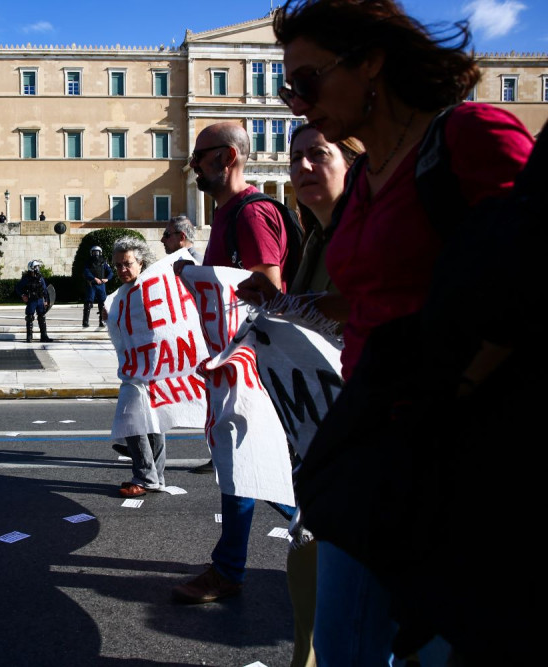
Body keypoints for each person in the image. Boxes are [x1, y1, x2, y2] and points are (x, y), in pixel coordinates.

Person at [273, 0, 535, 662]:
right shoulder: (362, 173)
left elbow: (532, 271)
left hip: (456, 451)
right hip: (372, 445)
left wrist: (459, 387)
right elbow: (368, 299)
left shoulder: (470, 137)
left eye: (306, 83)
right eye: (287, 89)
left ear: (370, 62)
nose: (297, 106)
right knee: (344, 643)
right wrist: (293, 310)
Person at [237, 124, 363, 667]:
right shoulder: (317, 235)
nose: (302, 168)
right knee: (308, 549)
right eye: (295, 158)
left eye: (318, 155)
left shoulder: (370, 234)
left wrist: (306, 304)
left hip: (366, 431)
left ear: (353, 163)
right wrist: (278, 301)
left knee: (350, 585)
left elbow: (369, 309)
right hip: (324, 432)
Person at [171, 121, 289, 605]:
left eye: (199, 156)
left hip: (252, 365)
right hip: (236, 362)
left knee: (244, 462)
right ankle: (232, 566)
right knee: (245, 463)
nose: (192, 165)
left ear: (227, 157)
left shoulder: (250, 215)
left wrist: (202, 277)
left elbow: (269, 287)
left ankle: (229, 570)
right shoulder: (226, 215)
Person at [109, 236, 166, 497]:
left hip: (149, 367)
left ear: (140, 262)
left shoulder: (149, 287)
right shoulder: (123, 292)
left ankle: (145, 476)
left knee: (132, 421)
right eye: (118, 265)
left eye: (127, 263)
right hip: (134, 368)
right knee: (150, 422)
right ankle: (154, 476)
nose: (122, 269)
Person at [15, 260, 52, 343]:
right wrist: (22, 295)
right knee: (29, 317)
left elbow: (45, 289)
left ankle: (44, 336)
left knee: (42, 317)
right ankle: (29, 337)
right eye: (36, 267)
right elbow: (18, 288)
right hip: (31, 300)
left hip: (39, 300)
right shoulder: (26, 278)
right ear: (32, 268)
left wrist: (46, 300)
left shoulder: (40, 278)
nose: (38, 268)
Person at [81, 246, 112, 328]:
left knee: (102, 304)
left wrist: (107, 279)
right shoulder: (88, 262)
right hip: (92, 285)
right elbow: (86, 272)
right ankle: (85, 321)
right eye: (94, 252)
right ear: (91, 253)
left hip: (101, 285)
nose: (96, 254)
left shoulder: (104, 262)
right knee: (88, 303)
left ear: (100, 252)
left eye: (97, 252)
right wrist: (94, 278)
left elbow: (110, 272)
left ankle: (102, 321)